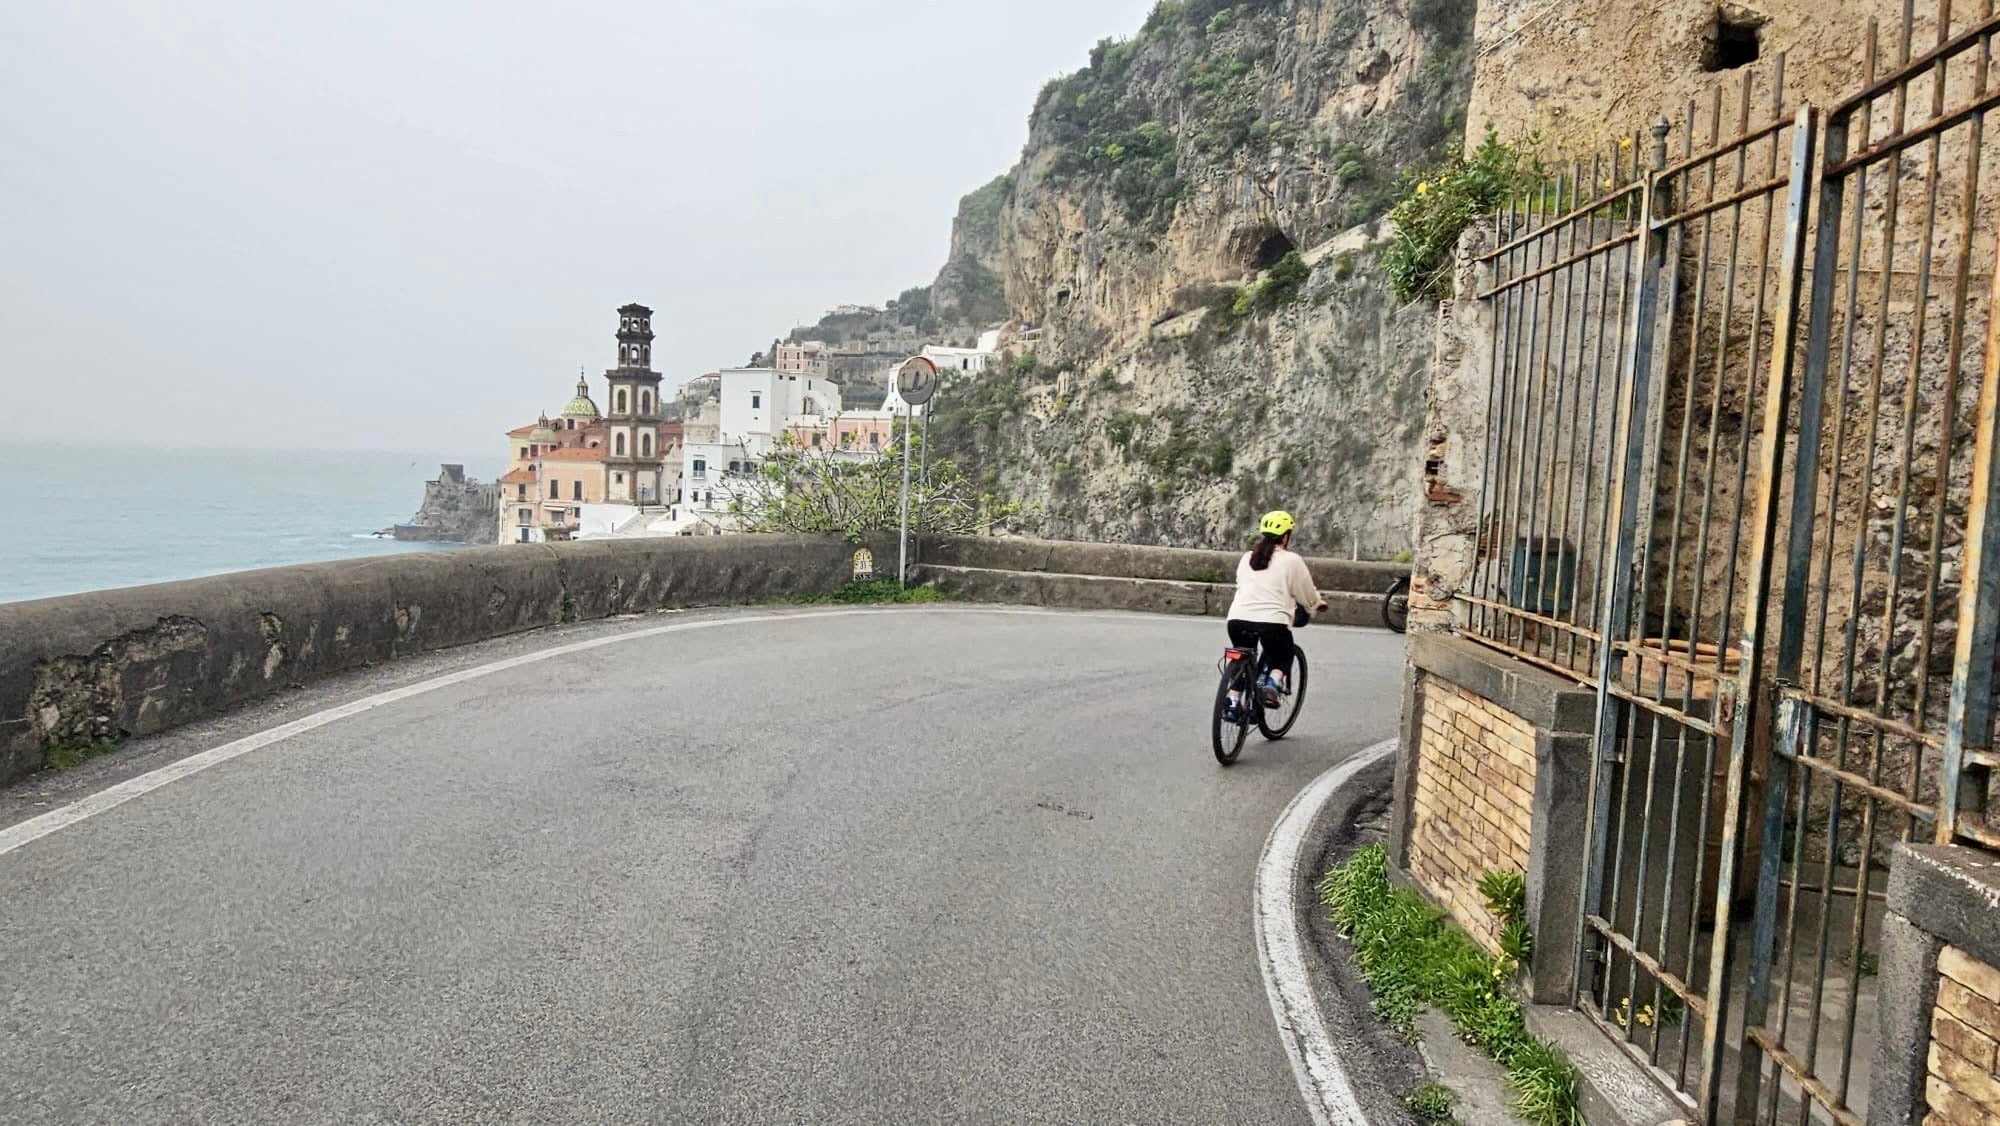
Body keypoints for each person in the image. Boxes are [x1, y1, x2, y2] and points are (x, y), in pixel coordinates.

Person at [1223, 510, 1327, 721]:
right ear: (1286, 537)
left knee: (1242, 656)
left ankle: (1232, 701)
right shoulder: (1292, 560)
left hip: (1237, 618)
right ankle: (1273, 682)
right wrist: (1316, 605)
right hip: (1272, 621)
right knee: (1283, 654)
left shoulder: (1247, 558)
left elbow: (1242, 584)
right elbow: (1305, 591)